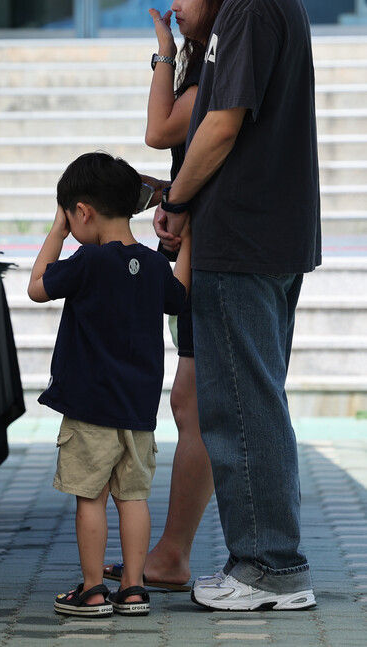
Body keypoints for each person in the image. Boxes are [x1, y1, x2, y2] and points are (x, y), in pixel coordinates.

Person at [154, 0, 321, 611]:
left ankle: (269, 568)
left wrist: (174, 199)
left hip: (245, 237)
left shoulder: (251, 9)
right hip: (265, 235)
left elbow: (221, 126)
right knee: (251, 402)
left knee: (242, 408)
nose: (173, 4)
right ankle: (266, 561)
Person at [28, 151, 190, 618]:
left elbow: (37, 286)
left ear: (82, 211)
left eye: (69, 217)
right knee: (133, 498)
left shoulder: (86, 260)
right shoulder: (153, 266)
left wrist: (56, 233)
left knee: (91, 499)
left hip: (89, 407)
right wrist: (186, 237)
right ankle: (135, 589)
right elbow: (178, 296)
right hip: (139, 412)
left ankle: (94, 590)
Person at [104, 0, 223, 593]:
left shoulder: (216, 58)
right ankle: (171, 552)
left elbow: (158, 131)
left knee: (193, 404)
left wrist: (164, 53)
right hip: (193, 240)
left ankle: (174, 554)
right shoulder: (209, 53)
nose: (174, 6)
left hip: (209, 245)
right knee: (189, 402)